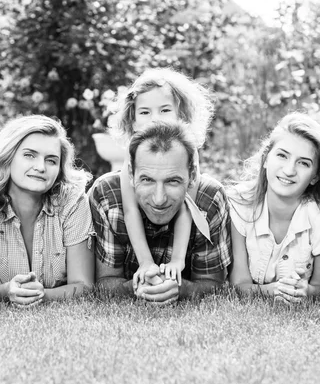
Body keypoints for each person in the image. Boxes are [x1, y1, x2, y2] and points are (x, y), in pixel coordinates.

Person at [228, 113, 320, 303]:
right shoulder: (240, 205)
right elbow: (239, 284)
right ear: (265, 159)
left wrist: (306, 290)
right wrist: (273, 290)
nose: (289, 170)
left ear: (315, 176)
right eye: (282, 155)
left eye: (304, 163)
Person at [0, 115, 95, 306]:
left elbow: (83, 285)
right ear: (8, 157)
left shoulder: (73, 202)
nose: (40, 167)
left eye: (51, 160)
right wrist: (7, 291)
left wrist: (44, 295)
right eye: (29, 155)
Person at [89, 121, 231, 304]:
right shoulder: (107, 196)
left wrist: (181, 288)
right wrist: (137, 287)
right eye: (147, 180)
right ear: (131, 174)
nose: (159, 199)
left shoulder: (210, 199)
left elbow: (214, 285)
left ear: (193, 175)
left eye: (172, 181)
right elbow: (103, 283)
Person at [111, 67, 214, 288]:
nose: (154, 119)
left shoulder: (188, 153)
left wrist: (177, 260)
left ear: (182, 116)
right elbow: (130, 211)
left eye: (164, 110)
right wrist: (146, 262)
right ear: (133, 120)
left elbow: (188, 208)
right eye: (145, 112)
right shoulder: (134, 155)